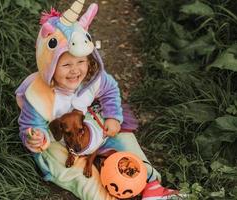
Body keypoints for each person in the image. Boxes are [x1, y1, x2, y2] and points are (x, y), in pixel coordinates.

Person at [15, 1, 181, 199]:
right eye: (66, 64)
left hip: (95, 123)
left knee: (125, 140)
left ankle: (150, 185)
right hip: (61, 141)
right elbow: (30, 124)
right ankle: (103, 196)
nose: (75, 70)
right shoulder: (38, 94)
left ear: (89, 58)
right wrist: (37, 136)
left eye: (81, 62)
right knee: (74, 173)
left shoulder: (92, 78)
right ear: (49, 64)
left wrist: (112, 116)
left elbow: (110, 90)